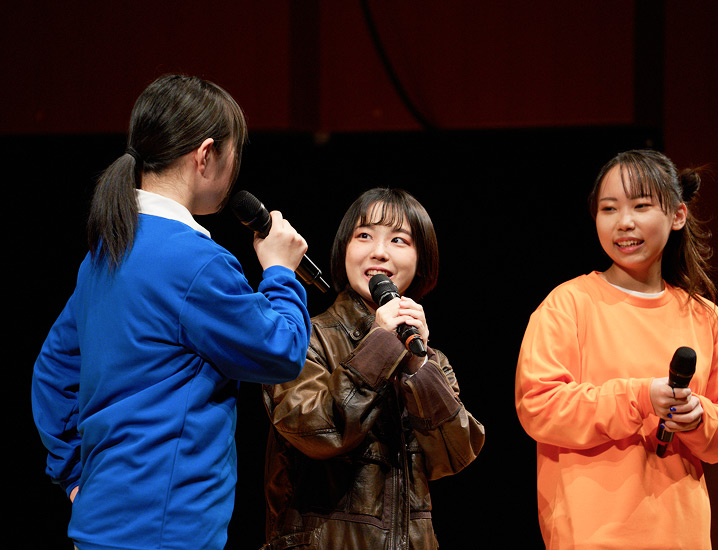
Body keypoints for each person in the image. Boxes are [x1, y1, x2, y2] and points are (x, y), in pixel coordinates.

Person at [31, 74, 312, 550]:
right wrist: (281, 272)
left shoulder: (105, 254)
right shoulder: (196, 262)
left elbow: (52, 374)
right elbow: (281, 352)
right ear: (206, 155)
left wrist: (75, 476)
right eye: (234, 153)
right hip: (166, 528)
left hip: (101, 522)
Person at [514, 149, 718, 550]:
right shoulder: (568, 304)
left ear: (677, 215)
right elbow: (539, 406)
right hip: (590, 537)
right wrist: (641, 397)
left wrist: (699, 418)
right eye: (609, 208)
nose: (624, 222)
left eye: (641, 206)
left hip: (682, 537)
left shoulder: (705, 318)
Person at [261, 188, 485, 550]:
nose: (379, 251)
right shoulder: (305, 337)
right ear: (344, 250)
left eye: (399, 240)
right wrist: (380, 346)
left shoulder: (429, 359)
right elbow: (315, 431)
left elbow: (454, 455)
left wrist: (418, 368)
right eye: (364, 235)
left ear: (421, 260)